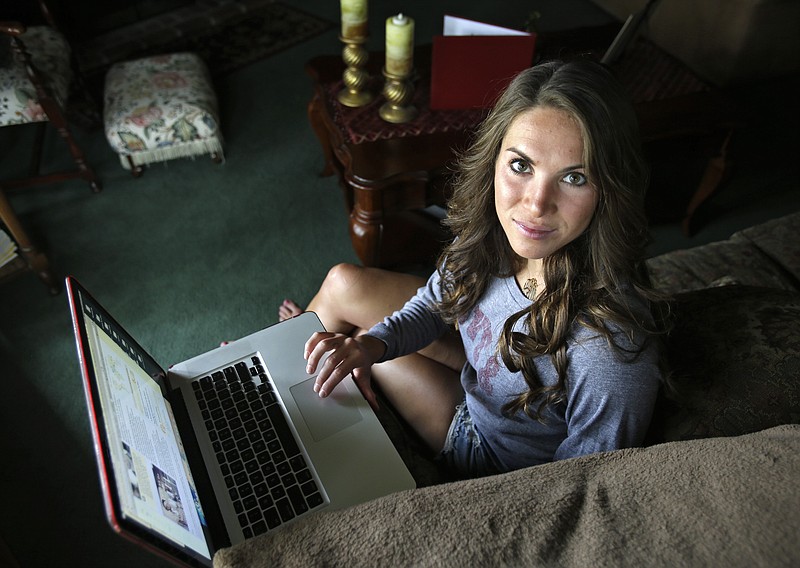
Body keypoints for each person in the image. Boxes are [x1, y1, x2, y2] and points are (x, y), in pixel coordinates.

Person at [279, 58, 669, 479]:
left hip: (488, 450)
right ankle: (273, 361)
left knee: (350, 341)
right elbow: (433, 302)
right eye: (521, 165)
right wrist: (374, 345)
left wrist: (368, 348)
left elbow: (581, 484)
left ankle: (290, 357)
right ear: (494, 159)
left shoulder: (607, 349)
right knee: (347, 299)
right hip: (481, 366)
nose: (536, 205)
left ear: (610, 189)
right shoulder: (498, 234)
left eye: (574, 178)